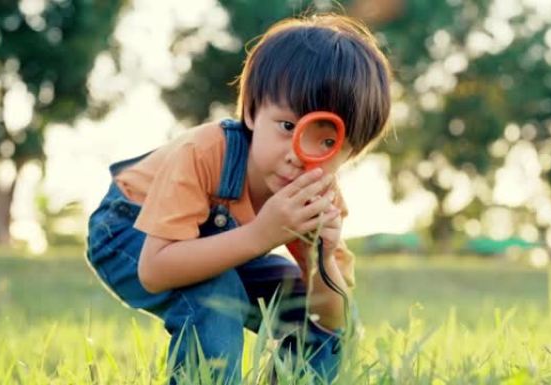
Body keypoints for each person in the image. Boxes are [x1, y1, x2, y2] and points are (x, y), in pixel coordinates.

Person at [86, 12, 391, 384]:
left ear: (351, 152)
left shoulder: (318, 197)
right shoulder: (202, 152)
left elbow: (331, 319)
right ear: (250, 111)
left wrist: (319, 257)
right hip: (129, 229)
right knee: (217, 293)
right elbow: (155, 271)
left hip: (221, 247)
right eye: (288, 126)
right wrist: (263, 234)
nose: (299, 154)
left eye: (327, 142)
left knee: (324, 316)